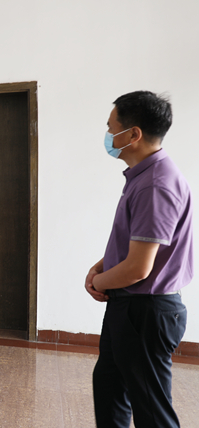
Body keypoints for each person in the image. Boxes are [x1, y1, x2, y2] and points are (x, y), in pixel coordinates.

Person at [85, 91, 192, 428]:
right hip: (131, 306)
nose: (107, 134)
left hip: (144, 311)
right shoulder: (144, 176)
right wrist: (101, 266)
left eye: (111, 127)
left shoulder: (155, 185)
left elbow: (138, 268)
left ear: (133, 134)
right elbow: (139, 244)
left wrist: (98, 281)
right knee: (110, 389)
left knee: (152, 413)